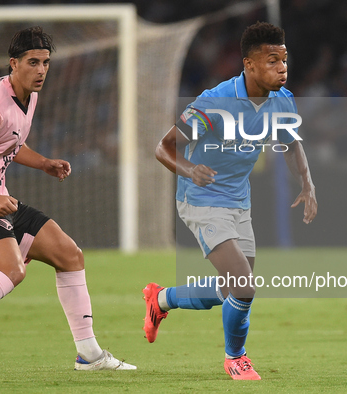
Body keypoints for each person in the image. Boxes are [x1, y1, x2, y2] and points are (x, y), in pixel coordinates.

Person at [0, 26, 135, 374]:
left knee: (70, 255)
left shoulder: (29, 96)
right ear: (13, 63)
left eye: (46, 63)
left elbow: (10, 144)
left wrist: (44, 163)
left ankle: (90, 355)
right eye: (33, 62)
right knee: (11, 270)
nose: (41, 70)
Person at [142, 22, 317, 380]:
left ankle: (160, 300)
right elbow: (164, 147)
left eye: (284, 60)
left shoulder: (282, 99)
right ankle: (235, 358)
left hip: (239, 200)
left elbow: (291, 143)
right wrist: (191, 170)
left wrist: (308, 183)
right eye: (272, 61)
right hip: (201, 198)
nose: (282, 68)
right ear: (248, 65)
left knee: (230, 290)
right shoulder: (216, 101)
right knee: (243, 285)